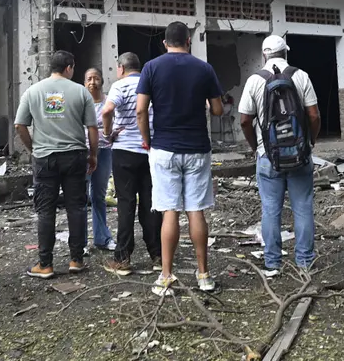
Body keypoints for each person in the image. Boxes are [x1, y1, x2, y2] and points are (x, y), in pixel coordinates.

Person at [137, 22, 224, 295]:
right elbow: (218, 110)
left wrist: (147, 140)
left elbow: (141, 110)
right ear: (189, 41)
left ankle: (165, 277)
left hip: (164, 148)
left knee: (169, 212)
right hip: (197, 147)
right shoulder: (204, 68)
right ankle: (204, 276)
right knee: (195, 210)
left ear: (165, 43)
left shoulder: (151, 67)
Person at [239, 35, 321, 275]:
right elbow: (314, 116)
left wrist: (257, 148)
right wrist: (310, 142)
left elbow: (245, 120)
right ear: (286, 52)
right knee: (303, 207)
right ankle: (305, 262)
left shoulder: (254, 80)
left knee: (270, 209)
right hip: (300, 153)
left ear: (264, 55)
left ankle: (272, 263)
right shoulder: (301, 76)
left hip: (268, 155)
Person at [16, 50, 98, 279]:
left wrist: (33, 149)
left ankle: (45, 264)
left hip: (45, 159)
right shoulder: (81, 92)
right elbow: (92, 128)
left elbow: (19, 125)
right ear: (69, 67)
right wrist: (93, 155)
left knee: (45, 210)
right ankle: (76, 260)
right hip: (75, 157)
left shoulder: (32, 91)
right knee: (76, 207)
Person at [101, 53, 162, 276]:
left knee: (126, 204)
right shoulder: (151, 84)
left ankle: (123, 258)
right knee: (151, 204)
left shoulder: (119, 86)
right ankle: (158, 256)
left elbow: (107, 110)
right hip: (150, 151)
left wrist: (108, 133)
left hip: (124, 152)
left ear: (121, 68)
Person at [84, 68, 116, 252]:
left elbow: (116, 123)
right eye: (89, 79)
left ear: (102, 81)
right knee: (80, 197)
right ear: (84, 82)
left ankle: (102, 238)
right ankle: (79, 244)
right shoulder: (82, 102)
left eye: (96, 78)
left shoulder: (108, 102)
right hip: (84, 152)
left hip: (104, 151)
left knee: (98, 196)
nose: (93, 82)